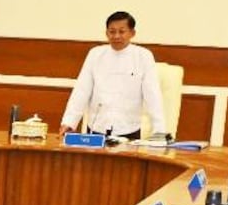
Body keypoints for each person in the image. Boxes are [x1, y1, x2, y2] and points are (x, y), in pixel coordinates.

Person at [61, 11, 166, 139]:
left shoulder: (143, 56)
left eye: (122, 32)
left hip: (129, 129)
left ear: (132, 33)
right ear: (106, 33)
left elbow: (153, 94)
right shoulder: (95, 54)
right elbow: (81, 91)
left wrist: (159, 129)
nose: (116, 36)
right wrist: (69, 122)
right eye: (112, 31)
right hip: (96, 127)